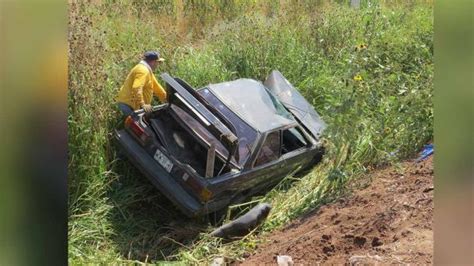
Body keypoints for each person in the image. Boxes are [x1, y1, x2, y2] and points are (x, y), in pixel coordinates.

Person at [116, 51, 167, 116]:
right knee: (134, 124)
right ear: (153, 62)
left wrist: (165, 98)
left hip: (131, 104)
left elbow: (156, 86)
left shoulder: (147, 70)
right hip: (128, 105)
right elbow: (136, 87)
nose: (158, 65)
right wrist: (143, 104)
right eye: (158, 62)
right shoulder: (143, 71)